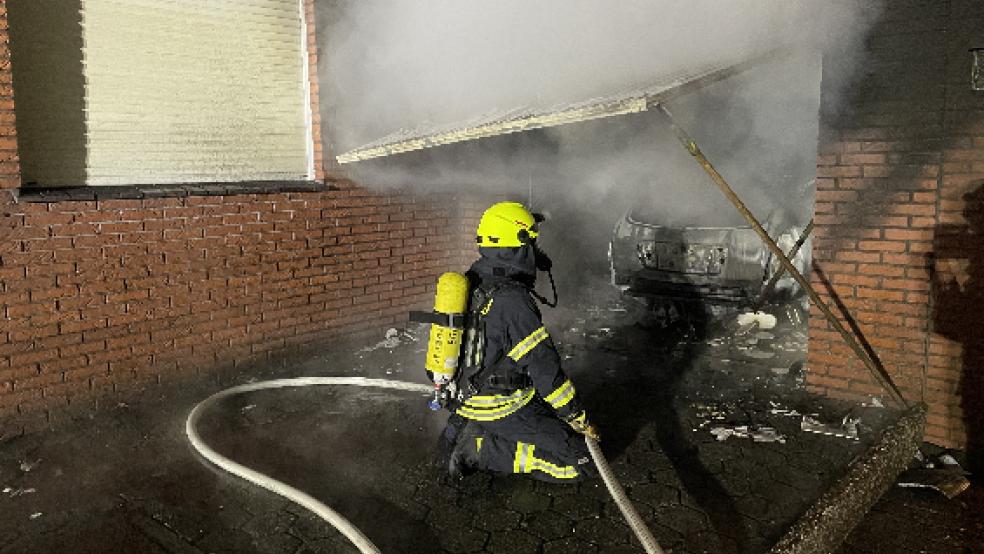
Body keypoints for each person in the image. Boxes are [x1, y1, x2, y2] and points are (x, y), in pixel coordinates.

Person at [438, 201, 599, 482]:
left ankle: (472, 427)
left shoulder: (474, 277)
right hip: (500, 404)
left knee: (548, 420)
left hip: (468, 395)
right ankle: (480, 449)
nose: (536, 252)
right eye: (532, 243)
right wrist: (576, 417)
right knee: (583, 463)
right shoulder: (512, 300)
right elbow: (543, 367)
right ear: (520, 244)